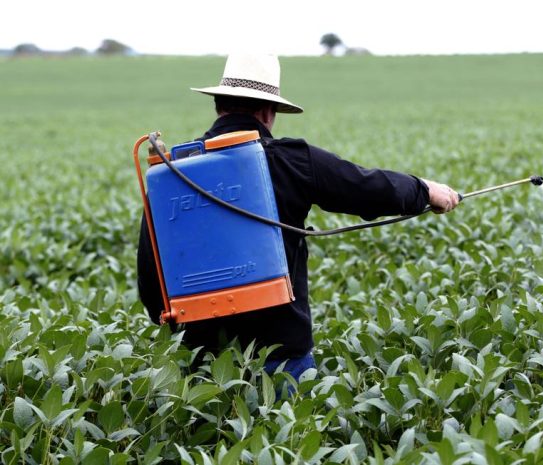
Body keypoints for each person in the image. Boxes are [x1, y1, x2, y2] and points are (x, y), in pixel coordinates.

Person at [137, 54, 459, 380]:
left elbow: (152, 283)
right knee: (290, 429)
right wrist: (424, 191)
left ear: (219, 105)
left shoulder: (171, 175)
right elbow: (366, 186)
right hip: (281, 356)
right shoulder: (292, 160)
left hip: (203, 363)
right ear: (268, 111)